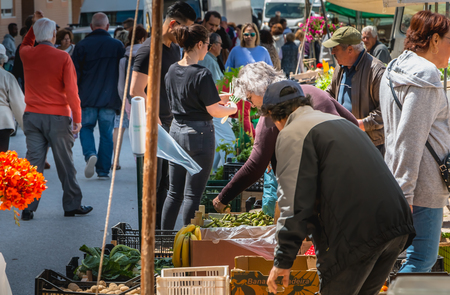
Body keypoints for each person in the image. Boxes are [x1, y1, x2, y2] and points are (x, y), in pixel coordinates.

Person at [263, 80, 415, 295]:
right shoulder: (338, 122)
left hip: (358, 234)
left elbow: (294, 201)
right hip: (396, 226)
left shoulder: (293, 132)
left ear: (273, 113)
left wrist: (283, 260)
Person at [213, 62, 358, 212]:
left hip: (324, 184)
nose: (252, 104)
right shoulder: (312, 90)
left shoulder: (270, 114)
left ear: (260, 89)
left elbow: (255, 165)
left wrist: (222, 198)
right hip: (350, 172)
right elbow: (352, 122)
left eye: (250, 98)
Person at [380, 10, 450, 273]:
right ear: (433, 40)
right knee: (421, 261)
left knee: (400, 259)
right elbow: (411, 136)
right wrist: (405, 192)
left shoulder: (392, 68)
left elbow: (395, 131)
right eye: (449, 40)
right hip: (421, 187)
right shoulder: (427, 74)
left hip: (396, 179)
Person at [161, 24, 237, 229]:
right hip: (200, 135)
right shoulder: (202, 73)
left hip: (176, 133)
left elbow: (186, 97)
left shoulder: (172, 69)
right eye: (207, 45)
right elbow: (214, 111)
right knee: (192, 194)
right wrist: (231, 108)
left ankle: (164, 245)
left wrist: (216, 98)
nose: (208, 49)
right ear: (200, 44)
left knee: (174, 193)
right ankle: (188, 246)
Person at [130, 1, 197, 230]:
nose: (187, 36)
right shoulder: (149, 50)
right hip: (155, 129)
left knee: (166, 187)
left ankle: (159, 236)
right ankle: (150, 235)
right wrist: (152, 116)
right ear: (172, 24)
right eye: (186, 30)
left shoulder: (174, 49)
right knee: (154, 187)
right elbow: (136, 90)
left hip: (172, 125)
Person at [20, 11, 92, 220]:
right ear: (53, 35)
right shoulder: (63, 57)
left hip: (32, 116)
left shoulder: (26, 53)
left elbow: (26, 41)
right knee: (65, 163)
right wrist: (77, 119)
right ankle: (71, 206)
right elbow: (72, 92)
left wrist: (34, 27)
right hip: (58, 118)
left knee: (34, 164)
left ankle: (27, 207)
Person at [72, 13, 125, 180]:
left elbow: (75, 75)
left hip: (86, 97)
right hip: (109, 98)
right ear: (108, 27)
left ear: (92, 27)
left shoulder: (81, 46)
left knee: (86, 128)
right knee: (107, 133)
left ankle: (90, 155)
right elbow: (123, 73)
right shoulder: (117, 46)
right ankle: (103, 170)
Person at [323, 26, 386, 154]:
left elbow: (385, 111)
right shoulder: (340, 67)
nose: (332, 52)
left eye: (335, 48)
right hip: (344, 138)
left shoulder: (376, 70)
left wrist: (359, 124)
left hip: (369, 144)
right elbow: (330, 93)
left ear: (350, 50)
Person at [225, 23, 272, 137]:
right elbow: (227, 71)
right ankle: (250, 142)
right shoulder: (235, 51)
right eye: (246, 34)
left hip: (259, 91)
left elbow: (270, 70)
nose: (249, 36)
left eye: (252, 34)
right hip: (241, 92)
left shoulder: (263, 51)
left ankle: (260, 139)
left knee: (260, 118)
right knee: (243, 119)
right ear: (242, 35)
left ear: (256, 35)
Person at [198, 33, 236, 171]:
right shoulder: (209, 61)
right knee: (228, 141)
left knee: (218, 143)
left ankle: (212, 174)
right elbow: (214, 88)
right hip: (215, 108)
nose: (221, 47)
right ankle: (227, 174)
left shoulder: (211, 60)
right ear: (213, 46)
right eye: (220, 44)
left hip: (215, 107)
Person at [114, 25, 148, 170]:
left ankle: (125, 160)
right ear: (142, 38)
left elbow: (121, 85)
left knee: (128, 128)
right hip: (147, 97)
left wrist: (124, 100)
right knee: (145, 128)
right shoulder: (148, 54)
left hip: (129, 99)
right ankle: (144, 161)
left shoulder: (124, 58)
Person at [0, 44, 25, 152]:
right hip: (3, 121)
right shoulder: (7, 76)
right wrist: (27, 127)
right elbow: (18, 103)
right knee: (2, 158)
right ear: (3, 59)